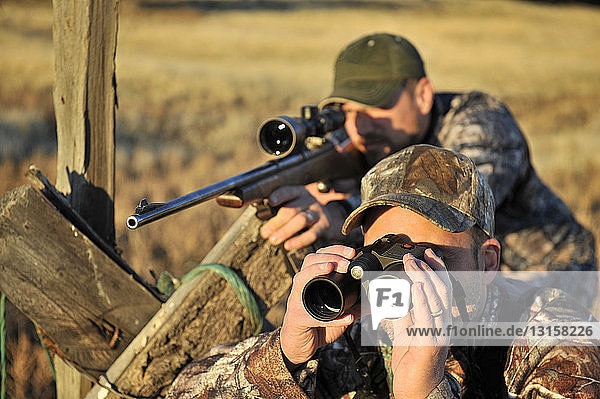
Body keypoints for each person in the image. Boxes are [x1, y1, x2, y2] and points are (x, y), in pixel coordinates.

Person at [166, 145, 600, 398]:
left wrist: (420, 389)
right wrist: (286, 355)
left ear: (487, 262)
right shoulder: (364, 324)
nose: (408, 280)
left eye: (431, 259)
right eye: (386, 255)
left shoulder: (556, 338)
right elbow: (179, 391)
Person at [259, 33, 597, 289]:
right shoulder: (373, 141)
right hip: (455, 283)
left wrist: (341, 211)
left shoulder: (482, 124)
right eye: (347, 111)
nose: (360, 125)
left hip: (554, 279)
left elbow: (449, 212)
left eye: (376, 106)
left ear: (422, 95)